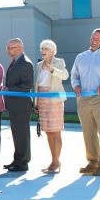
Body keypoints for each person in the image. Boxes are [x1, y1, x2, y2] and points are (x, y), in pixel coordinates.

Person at [71, 28, 100, 177]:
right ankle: (93, 163)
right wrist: (76, 86)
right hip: (83, 99)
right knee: (88, 132)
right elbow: (74, 75)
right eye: (93, 37)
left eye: (98, 38)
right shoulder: (81, 57)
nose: (94, 40)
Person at [34, 40, 69, 174]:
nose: (43, 50)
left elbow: (65, 75)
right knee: (48, 131)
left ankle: (56, 161)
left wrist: (53, 70)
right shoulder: (39, 64)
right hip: (42, 98)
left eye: (46, 48)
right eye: (42, 48)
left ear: (53, 51)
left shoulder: (59, 62)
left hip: (54, 100)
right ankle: (54, 161)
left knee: (56, 130)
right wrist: (36, 102)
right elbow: (38, 84)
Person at [3, 38, 34, 172]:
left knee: (22, 135)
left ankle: (23, 163)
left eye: (11, 48)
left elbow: (27, 86)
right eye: (8, 48)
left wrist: (9, 89)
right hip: (14, 105)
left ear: (20, 48)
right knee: (16, 134)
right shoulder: (15, 62)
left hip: (21, 105)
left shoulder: (25, 63)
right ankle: (17, 160)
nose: (8, 51)